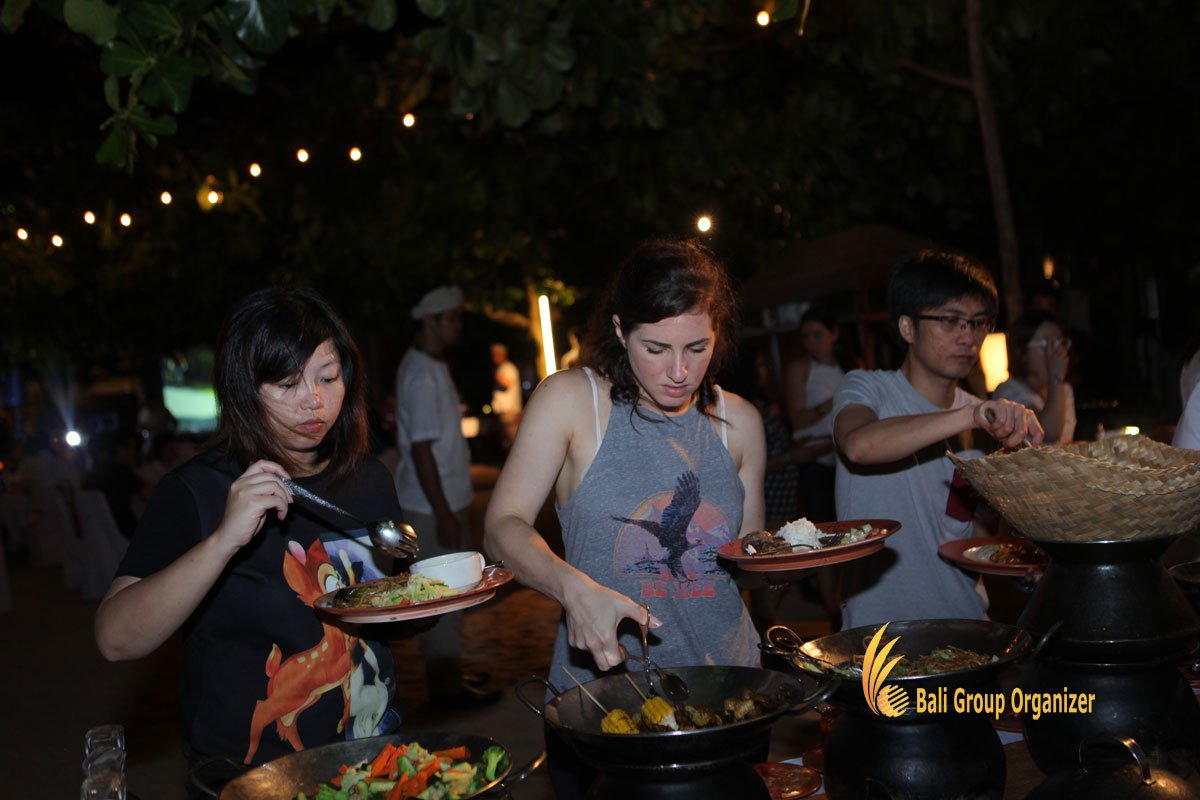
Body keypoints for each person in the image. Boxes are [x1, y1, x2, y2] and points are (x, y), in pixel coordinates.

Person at [94, 287, 405, 795]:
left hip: (374, 761)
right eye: (287, 383)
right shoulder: (196, 491)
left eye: (328, 377)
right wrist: (222, 541)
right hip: (250, 778)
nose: (315, 399)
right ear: (244, 389)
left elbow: (389, 607)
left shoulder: (369, 479)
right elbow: (116, 639)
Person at [484, 238, 766, 797]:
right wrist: (574, 589)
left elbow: (748, 564)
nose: (679, 371)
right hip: (603, 702)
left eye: (698, 347)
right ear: (620, 329)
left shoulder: (740, 422)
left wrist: (791, 562)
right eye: (656, 348)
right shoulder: (573, 402)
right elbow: (502, 526)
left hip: (729, 692)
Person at [832, 250, 1043, 629]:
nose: (968, 337)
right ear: (908, 327)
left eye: (978, 323)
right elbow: (859, 445)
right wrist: (971, 416)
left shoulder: (984, 418)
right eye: (950, 320)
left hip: (966, 621)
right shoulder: (868, 388)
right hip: (877, 633)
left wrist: (1019, 562)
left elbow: (973, 535)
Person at [393, 286, 495, 707]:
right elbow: (421, 450)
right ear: (431, 321)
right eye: (451, 318)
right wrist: (443, 512)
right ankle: (446, 690)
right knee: (442, 595)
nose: (457, 326)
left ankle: (449, 676)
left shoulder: (431, 366)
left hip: (442, 500)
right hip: (430, 505)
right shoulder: (420, 373)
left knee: (451, 593)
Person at [785, 306, 848, 523]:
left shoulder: (850, 365)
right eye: (805, 337)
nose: (810, 342)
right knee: (823, 524)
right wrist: (831, 403)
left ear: (834, 333)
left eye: (817, 335)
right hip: (815, 460)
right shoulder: (800, 367)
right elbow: (796, 420)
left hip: (845, 457)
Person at [993, 310, 1076, 445]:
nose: (1056, 353)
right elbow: (1049, 434)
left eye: (1059, 344)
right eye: (1046, 345)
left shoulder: (1064, 389)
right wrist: (1056, 377)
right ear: (1022, 351)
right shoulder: (1007, 392)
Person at [489, 342, 523, 450]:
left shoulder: (508, 367)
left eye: (495, 354)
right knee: (507, 442)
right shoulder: (502, 367)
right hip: (504, 411)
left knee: (513, 442)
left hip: (509, 411)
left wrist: (496, 376)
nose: (493, 357)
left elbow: (507, 383)